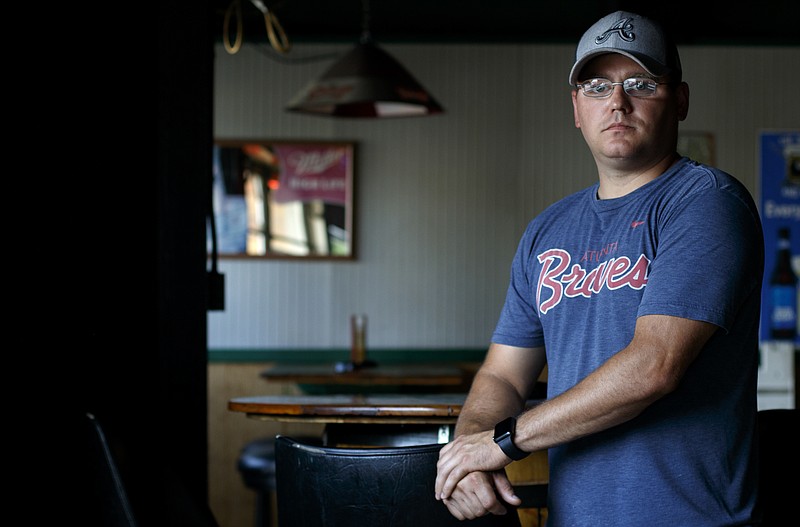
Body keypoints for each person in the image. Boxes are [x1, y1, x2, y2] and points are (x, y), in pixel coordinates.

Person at [435, 10, 764, 527]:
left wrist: (502, 443)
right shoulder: (547, 231)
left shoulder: (707, 204)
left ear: (679, 100)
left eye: (641, 82)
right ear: (576, 107)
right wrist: (468, 450)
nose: (617, 101)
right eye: (596, 86)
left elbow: (653, 366)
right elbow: (501, 373)